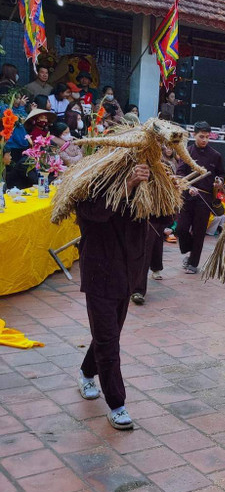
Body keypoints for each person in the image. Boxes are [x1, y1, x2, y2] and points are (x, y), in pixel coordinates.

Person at [74, 163, 152, 430]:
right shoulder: (90, 188)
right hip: (99, 274)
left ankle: (86, 373)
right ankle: (117, 404)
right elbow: (94, 213)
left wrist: (172, 193)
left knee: (109, 335)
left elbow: (163, 220)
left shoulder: (140, 192)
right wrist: (126, 185)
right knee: (108, 341)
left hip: (126, 275)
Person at [175, 123, 224, 273]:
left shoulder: (216, 155)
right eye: (201, 136)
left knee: (199, 231)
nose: (204, 140)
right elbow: (180, 173)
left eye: (207, 137)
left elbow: (222, 174)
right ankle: (190, 249)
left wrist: (219, 182)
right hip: (187, 194)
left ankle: (193, 263)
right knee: (181, 228)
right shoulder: (187, 152)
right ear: (193, 135)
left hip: (205, 197)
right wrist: (188, 187)